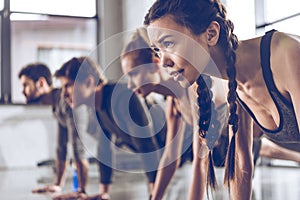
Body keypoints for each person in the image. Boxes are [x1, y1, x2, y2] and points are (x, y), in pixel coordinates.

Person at [144, 0, 300, 199]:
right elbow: (241, 163)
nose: (163, 61)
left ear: (211, 34)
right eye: (157, 50)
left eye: (169, 43)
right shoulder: (231, 82)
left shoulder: (285, 54)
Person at [53, 56, 163, 200]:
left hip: (182, 151)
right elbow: (104, 150)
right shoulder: (98, 106)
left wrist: (154, 196)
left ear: (89, 82)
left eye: (67, 85)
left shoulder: (122, 96)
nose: (63, 94)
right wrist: (104, 193)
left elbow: (147, 146)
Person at [18, 63, 90, 195]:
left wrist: (81, 192)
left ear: (41, 83)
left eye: (25, 85)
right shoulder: (56, 105)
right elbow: (61, 147)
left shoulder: (67, 100)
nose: (22, 91)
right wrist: (58, 185)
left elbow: (78, 148)